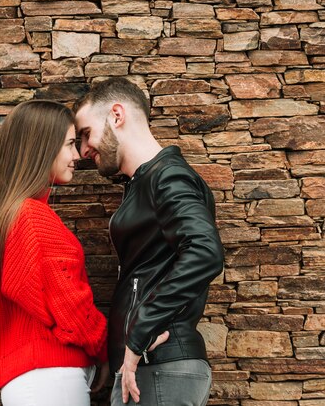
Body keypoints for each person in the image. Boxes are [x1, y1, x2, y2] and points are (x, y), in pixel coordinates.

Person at [73, 77, 225, 406]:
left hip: (157, 366)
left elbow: (205, 251)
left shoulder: (166, 176)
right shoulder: (145, 181)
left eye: (86, 134)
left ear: (116, 114)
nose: (84, 150)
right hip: (148, 369)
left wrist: (141, 330)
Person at [0, 100, 109, 405]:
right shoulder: (33, 218)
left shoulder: (12, 213)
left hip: (39, 378)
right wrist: (103, 346)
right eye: (70, 144)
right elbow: (69, 307)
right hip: (49, 377)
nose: (77, 155)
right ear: (41, 148)